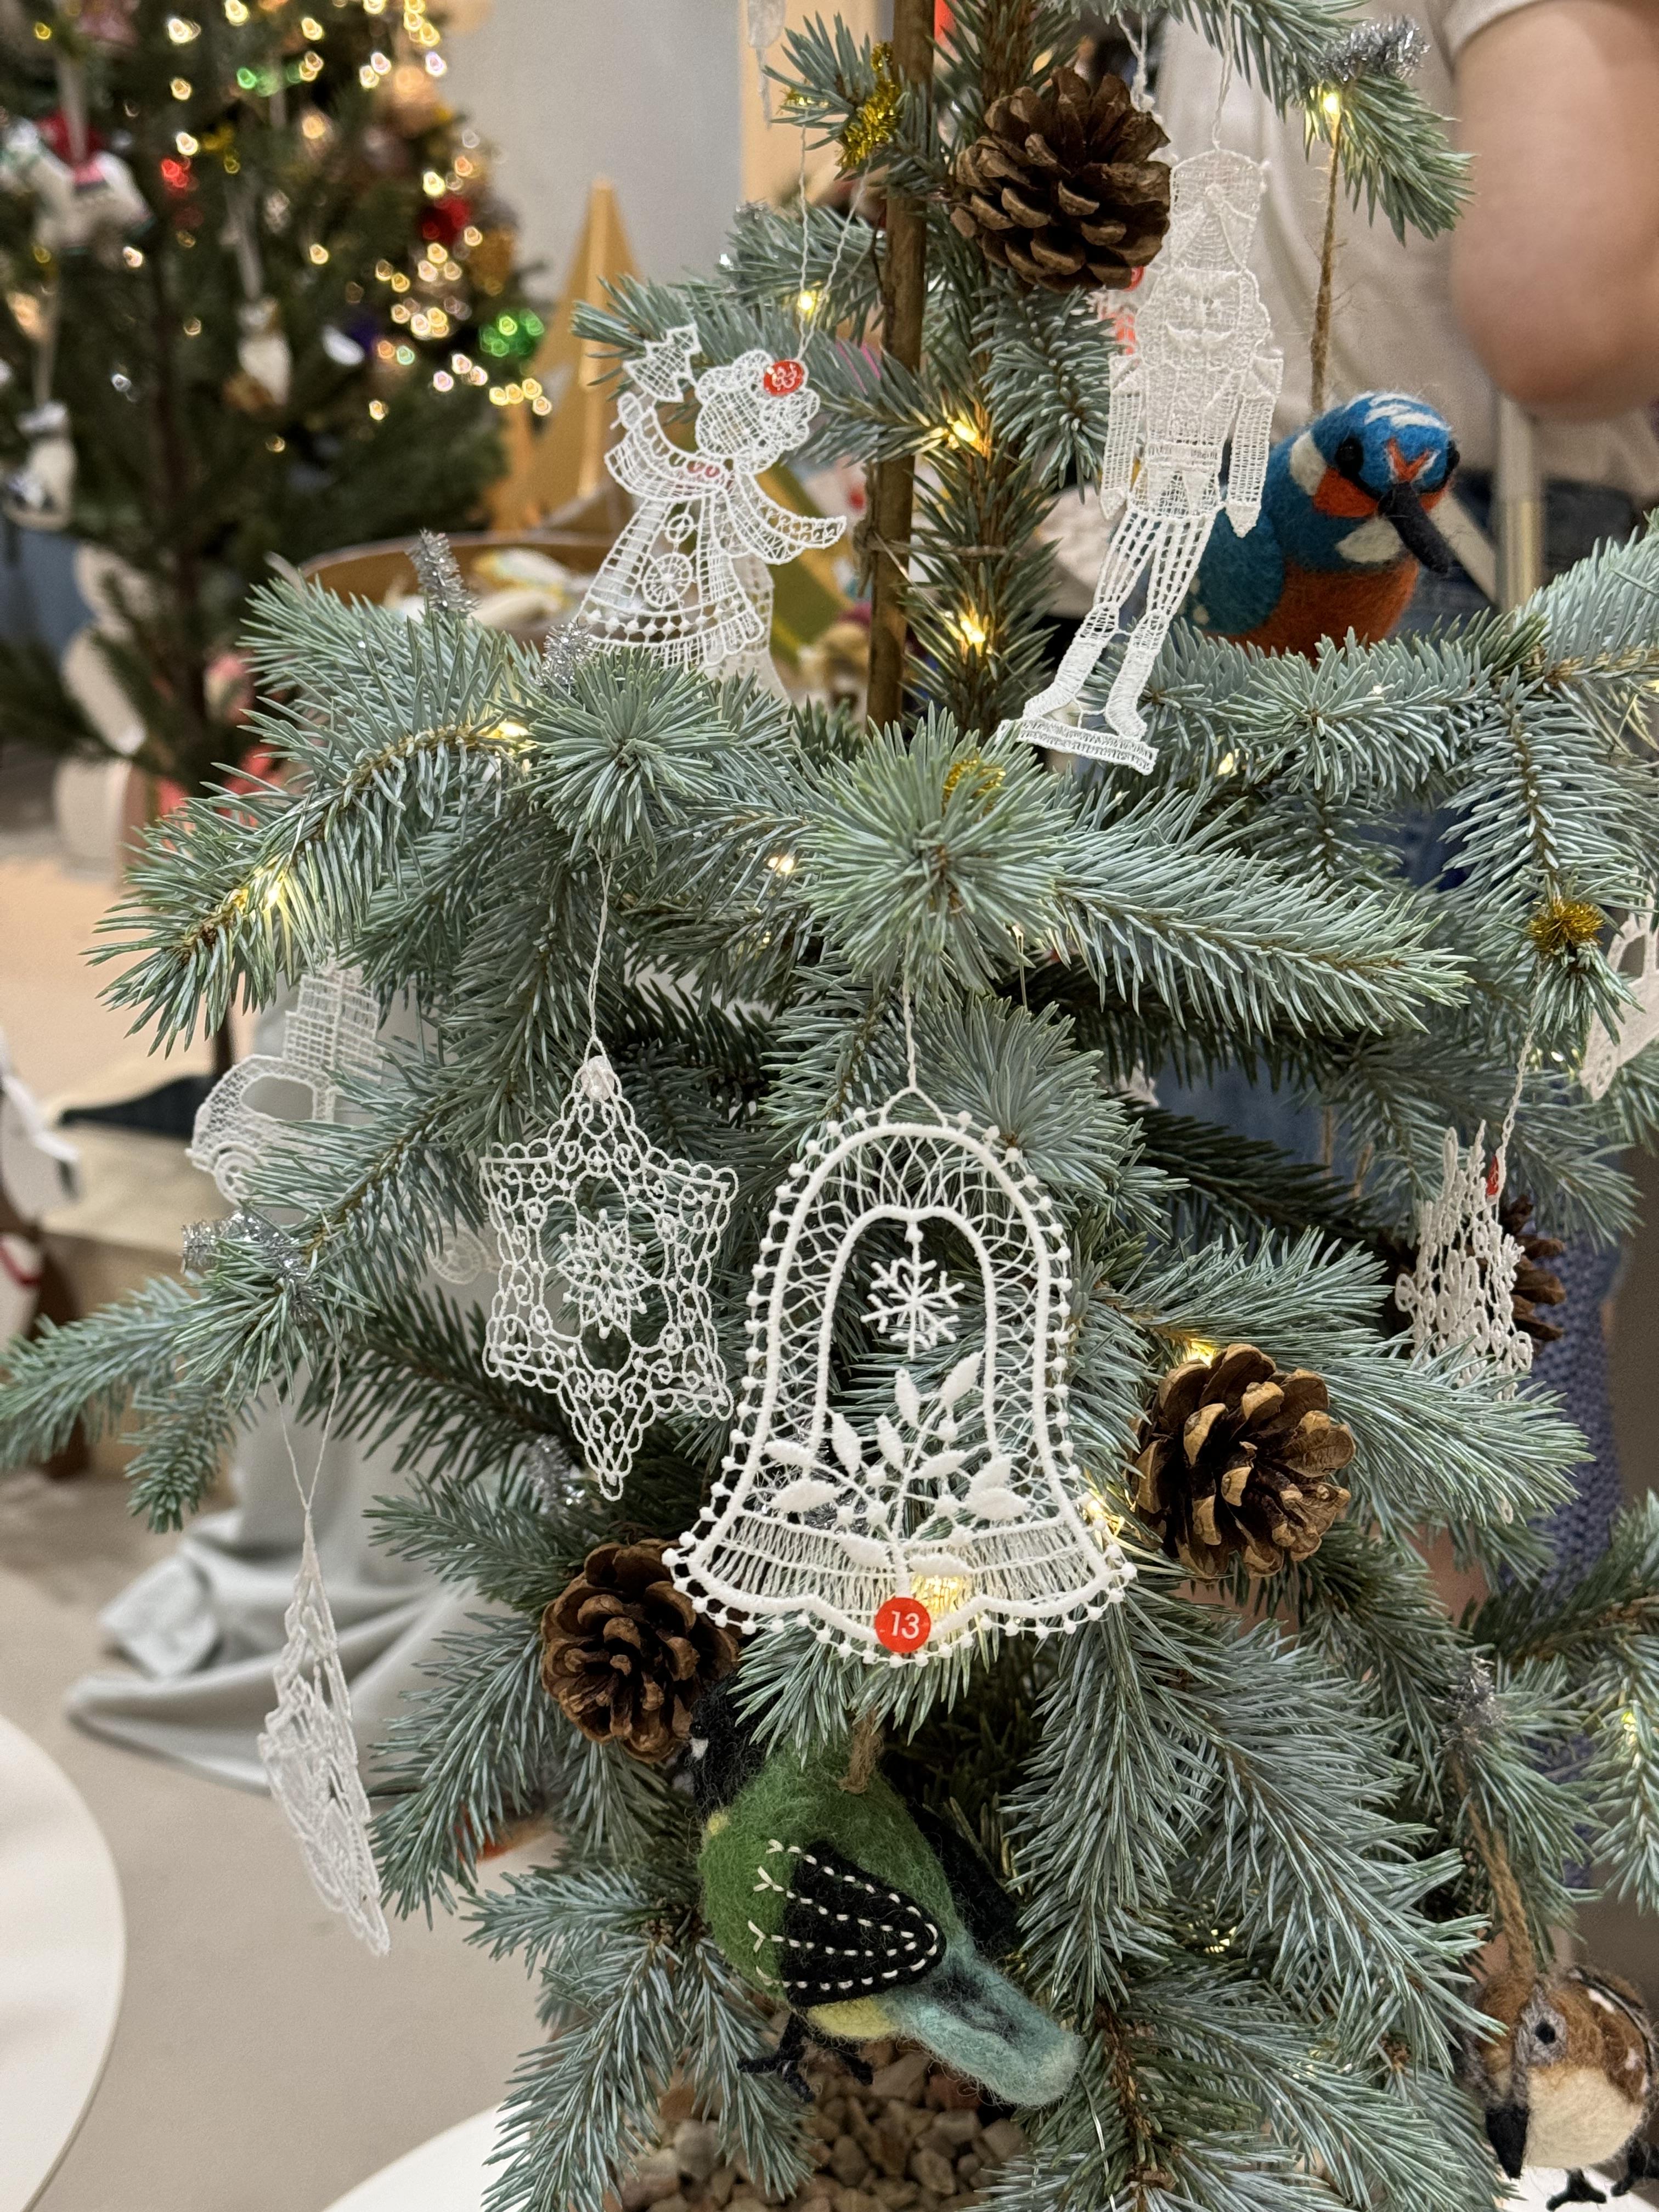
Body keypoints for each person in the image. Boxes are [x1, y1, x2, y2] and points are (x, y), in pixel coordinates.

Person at [1153, 0, 1659, 1572]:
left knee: (1269, 1367)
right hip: (1450, 601)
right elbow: (1560, 300)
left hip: (1242, 587)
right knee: (1441, 1397)